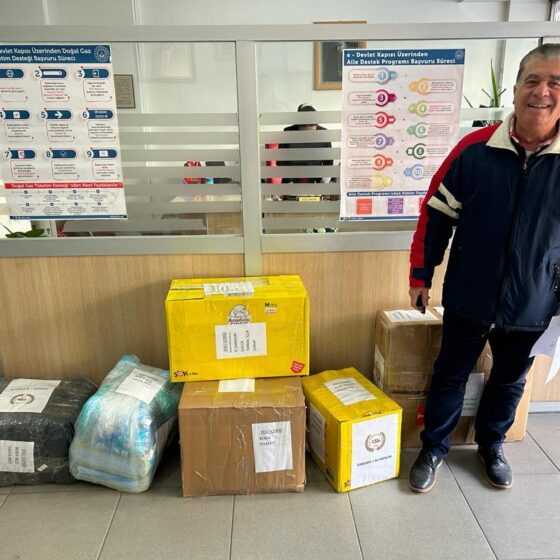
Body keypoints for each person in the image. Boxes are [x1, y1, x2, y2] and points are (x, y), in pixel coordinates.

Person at [407, 44, 560, 493]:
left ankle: (492, 445)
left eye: (555, 83)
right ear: (515, 90)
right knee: (450, 374)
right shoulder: (474, 150)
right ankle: (433, 448)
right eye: (533, 80)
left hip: (534, 301)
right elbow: (436, 214)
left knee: (509, 381)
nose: (542, 92)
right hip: (469, 293)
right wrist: (421, 275)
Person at [277, 103, 333, 187]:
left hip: (316, 182)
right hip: (291, 181)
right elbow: (281, 162)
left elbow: (328, 163)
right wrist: (290, 180)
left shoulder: (324, 134)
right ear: (298, 125)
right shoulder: (288, 132)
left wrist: (324, 182)